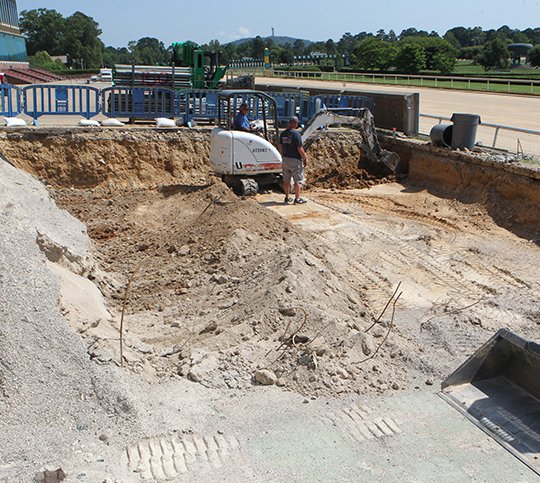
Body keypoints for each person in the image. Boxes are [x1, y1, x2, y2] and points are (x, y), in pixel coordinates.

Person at [279, 116, 307, 204]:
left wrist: (283, 156)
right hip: (295, 160)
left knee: (286, 180)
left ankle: (287, 197)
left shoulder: (283, 134)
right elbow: (300, 148)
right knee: (296, 181)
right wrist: (305, 158)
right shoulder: (296, 134)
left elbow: (281, 146)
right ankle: (297, 198)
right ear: (295, 123)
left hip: (286, 159)